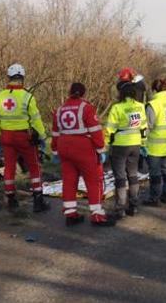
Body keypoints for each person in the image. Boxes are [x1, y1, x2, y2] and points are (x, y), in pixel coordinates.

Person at [51, 82, 115, 226]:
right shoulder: (86, 107)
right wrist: (101, 150)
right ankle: (97, 215)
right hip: (83, 148)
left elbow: (55, 132)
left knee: (69, 181)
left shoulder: (60, 109)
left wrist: (55, 150)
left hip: (63, 147)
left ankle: (70, 214)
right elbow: (95, 131)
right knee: (94, 181)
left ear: (69, 92)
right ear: (83, 93)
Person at [0, 63, 50, 212]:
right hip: (24, 137)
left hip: (6, 137)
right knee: (34, 167)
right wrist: (42, 136)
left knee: (9, 167)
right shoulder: (27, 97)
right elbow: (35, 119)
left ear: (9, 78)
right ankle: (38, 200)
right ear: (22, 78)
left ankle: (10, 198)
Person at [104, 82, 148, 217]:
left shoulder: (117, 108)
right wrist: (143, 145)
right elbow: (144, 128)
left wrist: (105, 145)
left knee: (120, 177)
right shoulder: (140, 107)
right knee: (133, 175)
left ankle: (120, 208)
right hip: (135, 145)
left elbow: (109, 129)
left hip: (120, 146)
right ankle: (133, 206)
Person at [142, 78, 166, 207]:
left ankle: (154, 198)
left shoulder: (153, 105)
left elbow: (148, 126)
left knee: (155, 173)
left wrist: (142, 143)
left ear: (154, 90)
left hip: (154, 145)